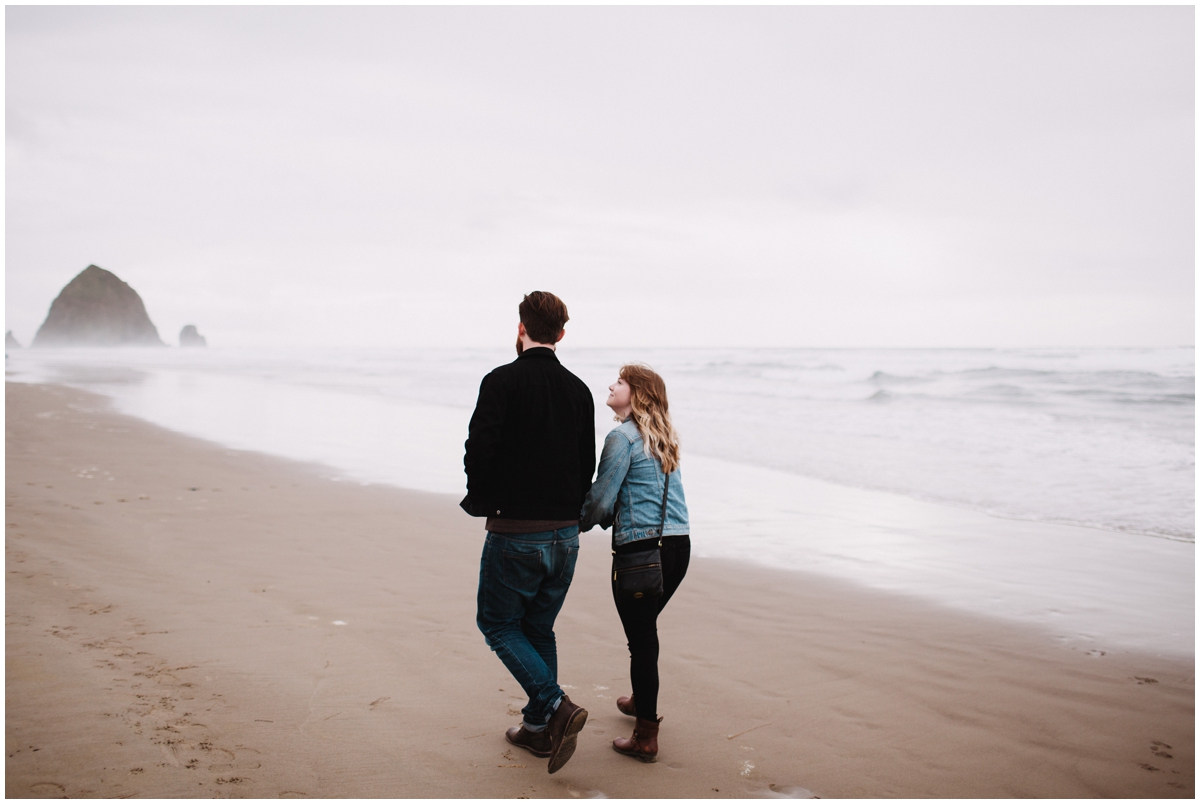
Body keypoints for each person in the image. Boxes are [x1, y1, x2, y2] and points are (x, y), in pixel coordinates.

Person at [461, 291, 596, 775]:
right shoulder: (579, 389)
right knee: (537, 627)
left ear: (521, 328)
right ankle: (539, 730)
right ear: (560, 334)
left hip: (517, 528)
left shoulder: (501, 381)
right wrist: (570, 514)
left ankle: (556, 706)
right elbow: (587, 464)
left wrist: (482, 501)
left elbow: (479, 450)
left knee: (497, 624)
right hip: (566, 533)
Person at [580, 363, 690, 763]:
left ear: (637, 393)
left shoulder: (620, 438)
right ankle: (640, 700)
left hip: (641, 553)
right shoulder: (663, 438)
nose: (611, 385)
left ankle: (646, 734)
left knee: (641, 639)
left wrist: (568, 524)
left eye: (620, 381)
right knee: (644, 630)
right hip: (679, 547)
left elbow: (601, 501)